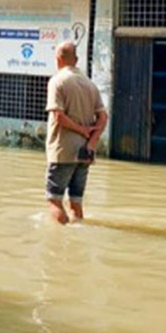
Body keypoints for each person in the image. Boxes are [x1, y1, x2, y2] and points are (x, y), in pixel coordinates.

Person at [44, 41, 108, 225]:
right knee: (76, 202)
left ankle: (60, 241)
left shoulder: (57, 81)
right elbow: (103, 117)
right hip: (84, 153)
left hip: (62, 152)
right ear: (77, 60)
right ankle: (77, 234)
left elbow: (58, 116)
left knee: (54, 200)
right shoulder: (90, 85)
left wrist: (80, 129)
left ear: (58, 59)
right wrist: (91, 142)